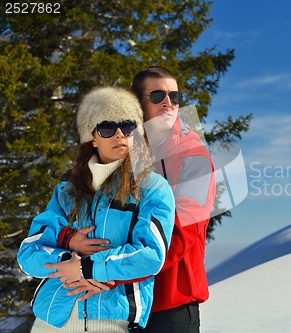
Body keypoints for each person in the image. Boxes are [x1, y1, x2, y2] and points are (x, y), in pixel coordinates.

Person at [57, 67, 216, 333]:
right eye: (157, 95)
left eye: (174, 96)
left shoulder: (193, 157)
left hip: (169, 303)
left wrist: (105, 272)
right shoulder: (122, 151)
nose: (169, 103)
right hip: (121, 304)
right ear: (137, 103)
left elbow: (180, 234)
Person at [17, 86, 176, 332]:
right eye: (107, 128)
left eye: (128, 126)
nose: (119, 135)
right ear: (93, 137)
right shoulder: (66, 190)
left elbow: (151, 255)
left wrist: (86, 268)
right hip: (50, 319)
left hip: (110, 320)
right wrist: (67, 253)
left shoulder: (152, 187)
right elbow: (28, 253)